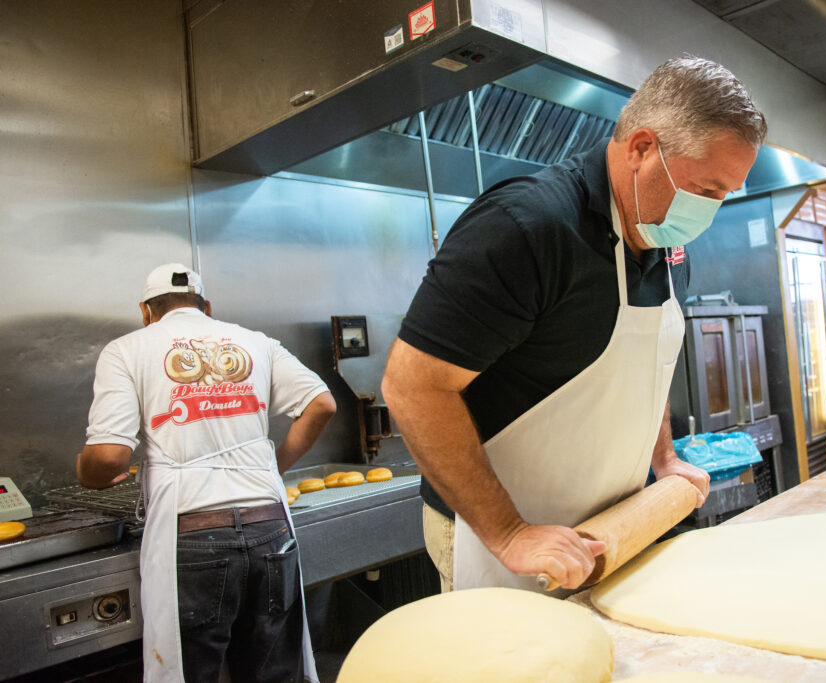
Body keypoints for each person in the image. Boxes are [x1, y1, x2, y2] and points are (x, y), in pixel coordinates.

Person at [381, 56, 766, 594]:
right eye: (707, 189)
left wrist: (666, 459)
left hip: (610, 529)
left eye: (725, 193)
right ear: (641, 148)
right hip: (502, 540)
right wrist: (510, 533)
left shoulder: (660, 239)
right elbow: (412, 385)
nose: (711, 209)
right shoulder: (528, 228)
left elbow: (645, 367)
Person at [77, 263, 336, 683]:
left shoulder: (127, 349)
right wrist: (273, 466)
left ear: (146, 311)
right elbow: (321, 404)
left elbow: (108, 457)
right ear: (207, 306)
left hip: (194, 538)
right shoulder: (256, 343)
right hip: (269, 527)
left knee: (192, 673)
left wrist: (86, 473)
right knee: (275, 672)